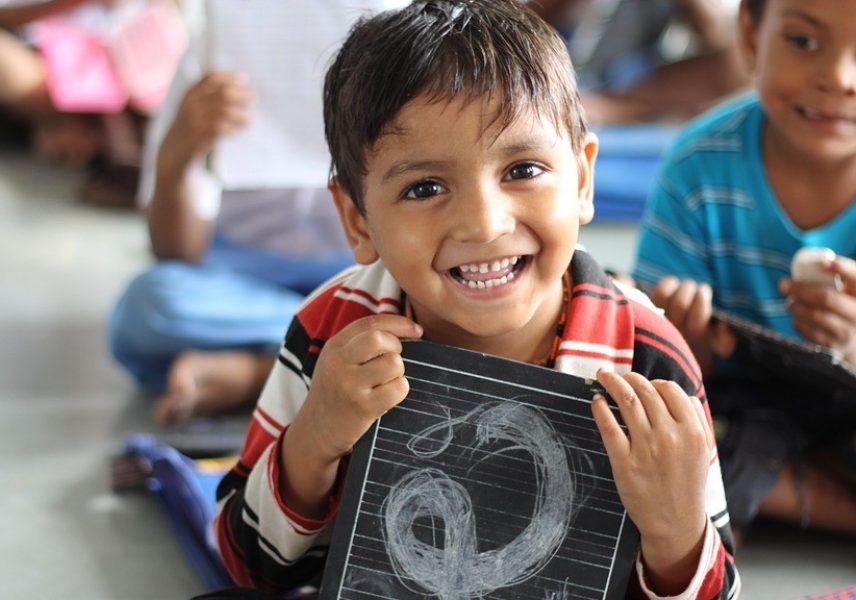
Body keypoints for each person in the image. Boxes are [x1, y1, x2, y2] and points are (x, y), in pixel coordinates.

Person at [212, 2, 739, 597]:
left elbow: (715, 584)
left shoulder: (647, 361)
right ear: (357, 220)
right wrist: (313, 442)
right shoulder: (332, 330)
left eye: (523, 169)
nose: (484, 224)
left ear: (584, 180)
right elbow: (246, 563)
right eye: (426, 187)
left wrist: (675, 534)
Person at [108, 2, 398, 425]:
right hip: (242, 275)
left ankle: (258, 371)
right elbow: (175, 249)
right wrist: (178, 155)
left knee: (439, 307)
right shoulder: (212, 51)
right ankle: (320, 354)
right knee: (149, 305)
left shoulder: (398, 39)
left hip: (367, 270)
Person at [632, 0, 856, 538]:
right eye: (803, 41)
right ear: (752, 37)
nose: (840, 77)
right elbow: (648, 350)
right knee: (652, 445)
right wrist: (686, 345)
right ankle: (825, 499)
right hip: (743, 407)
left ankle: (793, 489)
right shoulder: (698, 166)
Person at [0, 0, 112, 164]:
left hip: (94, 61)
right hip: (21, 55)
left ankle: (72, 128)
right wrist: (62, 4)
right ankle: (71, 125)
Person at [533, 0, 749, 125]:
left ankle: (610, 109)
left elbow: (722, 45)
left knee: (739, 64)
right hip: (558, 71)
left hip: (625, 87)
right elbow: (523, 26)